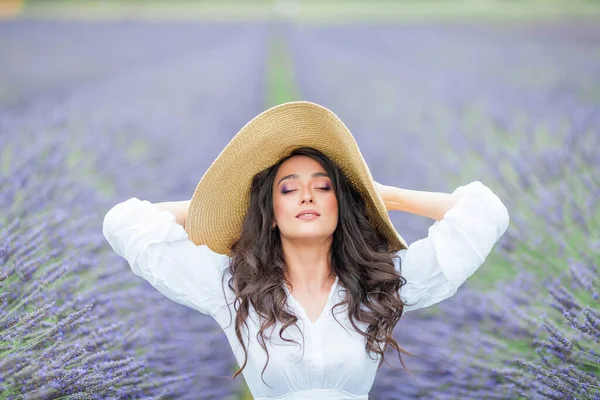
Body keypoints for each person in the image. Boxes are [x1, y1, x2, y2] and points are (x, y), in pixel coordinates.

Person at [102, 101, 510, 400]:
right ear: (273, 213)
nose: (307, 197)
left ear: (340, 205)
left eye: (323, 187)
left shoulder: (379, 284)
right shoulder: (233, 288)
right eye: (288, 189)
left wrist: (381, 194)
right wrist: (231, 206)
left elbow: (485, 213)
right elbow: (124, 222)